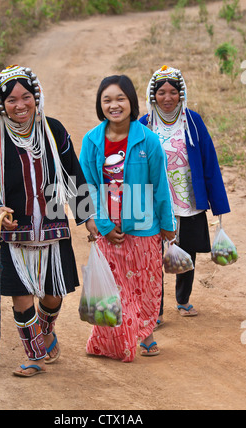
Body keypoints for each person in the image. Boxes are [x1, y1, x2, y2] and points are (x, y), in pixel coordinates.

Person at [0, 65, 94, 377]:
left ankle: (44, 327)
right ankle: (35, 355)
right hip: (14, 236)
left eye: (26, 97)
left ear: (36, 97)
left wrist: (87, 217)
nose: (20, 105)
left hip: (52, 230)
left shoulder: (54, 132)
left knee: (54, 294)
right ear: (1, 105)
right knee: (21, 295)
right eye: (11, 100)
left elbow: (73, 174)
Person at [79, 75, 176, 362]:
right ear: (100, 105)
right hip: (108, 229)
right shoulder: (92, 141)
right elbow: (87, 186)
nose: (114, 105)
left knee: (146, 285)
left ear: (132, 102)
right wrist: (102, 224)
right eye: (107, 100)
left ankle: (146, 334)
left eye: (120, 98)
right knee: (114, 288)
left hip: (145, 228)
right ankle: (108, 341)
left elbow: (161, 187)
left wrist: (167, 226)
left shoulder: (149, 140)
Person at [139, 65, 230, 321]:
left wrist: (218, 203)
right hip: (154, 203)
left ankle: (183, 299)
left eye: (173, 92)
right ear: (152, 95)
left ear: (181, 94)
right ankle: (154, 310)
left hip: (188, 200)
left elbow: (208, 160)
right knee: (153, 257)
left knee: (187, 252)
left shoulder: (193, 121)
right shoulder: (144, 125)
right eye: (161, 92)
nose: (167, 98)